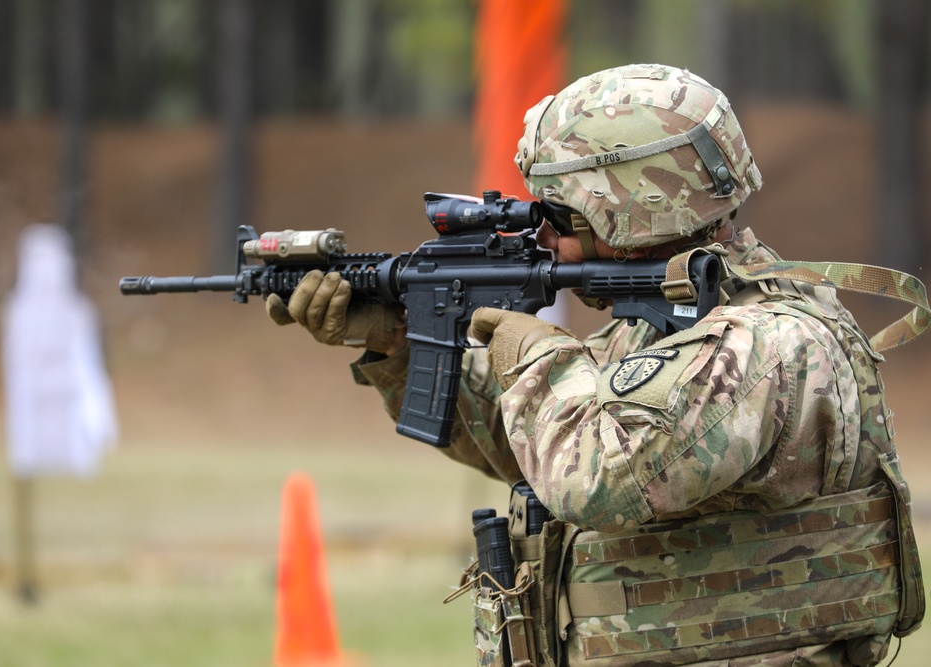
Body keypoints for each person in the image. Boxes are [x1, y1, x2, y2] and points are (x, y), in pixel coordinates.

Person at [266, 64, 924, 666]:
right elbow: (532, 444)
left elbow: (599, 477)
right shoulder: (674, 326)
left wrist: (536, 354)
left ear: (633, 208)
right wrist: (397, 344)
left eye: (559, 214)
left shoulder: (763, 347)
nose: (545, 235)